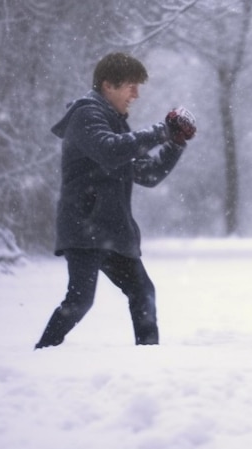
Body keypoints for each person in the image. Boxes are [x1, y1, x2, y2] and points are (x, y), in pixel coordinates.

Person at [35, 52, 196, 349]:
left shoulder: (115, 123)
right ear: (108, 85)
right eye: (131, 86)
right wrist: (162, 131)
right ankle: (42, 352)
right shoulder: (87, 115)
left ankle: (148, 358)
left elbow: (147, 174)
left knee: (143, 293)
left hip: (111, 231)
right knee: (80, 301)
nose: (136, 94)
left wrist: (174, 143)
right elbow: (110, 150)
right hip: (84, 228)